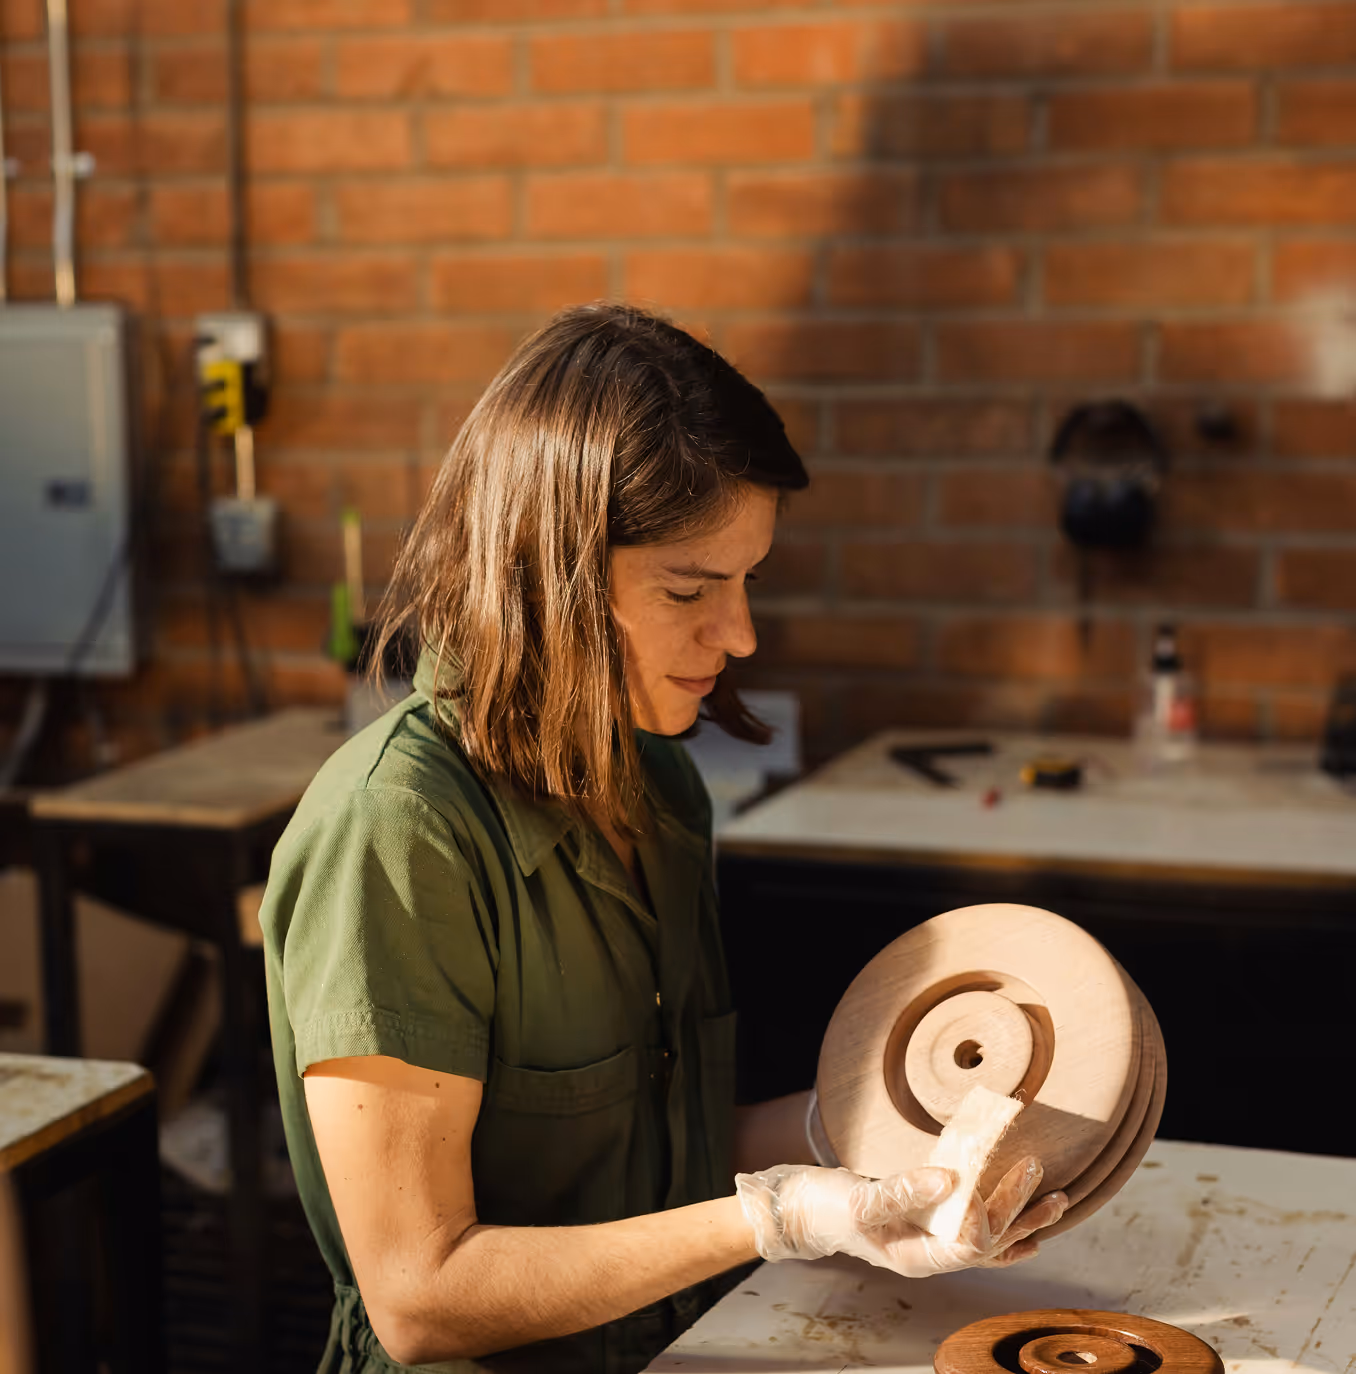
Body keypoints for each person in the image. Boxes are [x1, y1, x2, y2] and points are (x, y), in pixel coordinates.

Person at [259, 304, 1067, 1374]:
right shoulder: (399, 836)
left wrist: (884, 1144)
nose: (739, 636)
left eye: (747, 581)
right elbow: (422, 1296)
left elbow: (646, 1158)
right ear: (544, 577)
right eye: (689, 588)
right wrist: (771, 1221)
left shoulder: (659, 785)